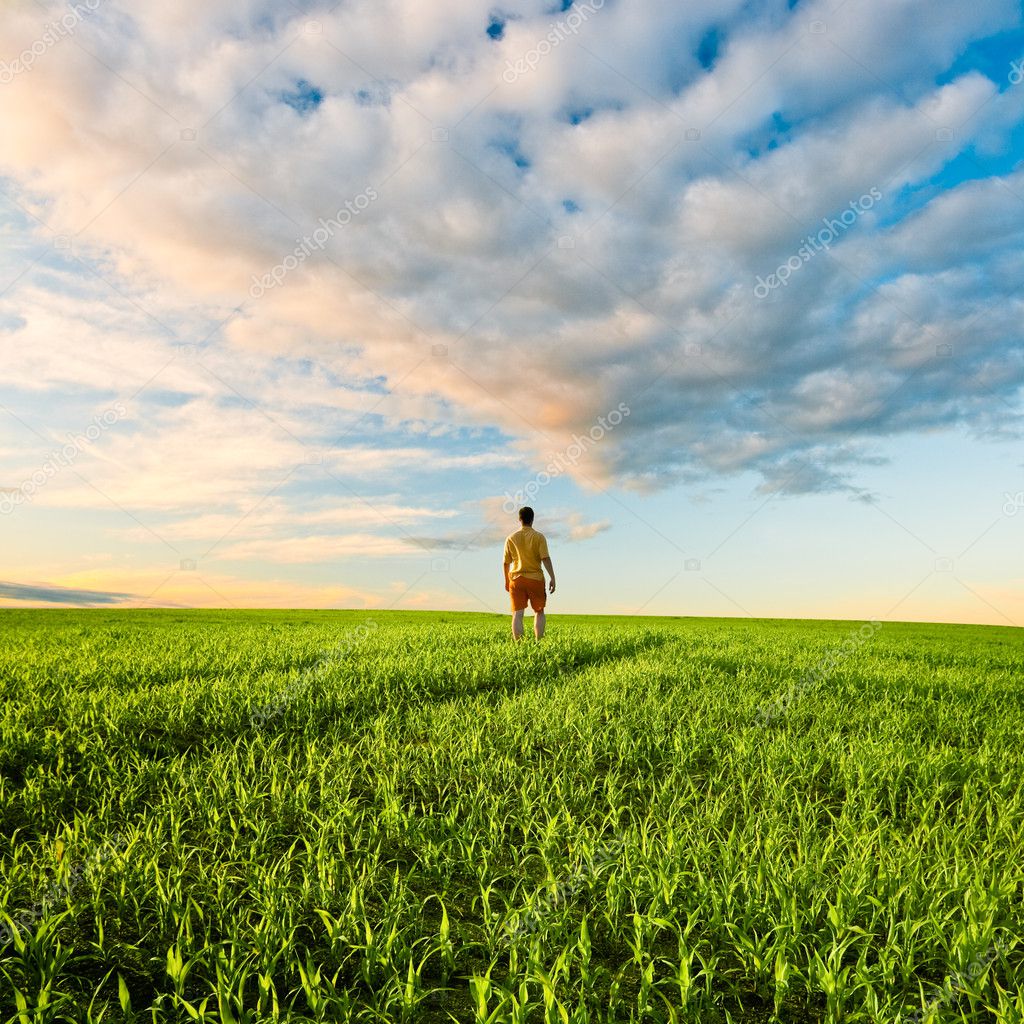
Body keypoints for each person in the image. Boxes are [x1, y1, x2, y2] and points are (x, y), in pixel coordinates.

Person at [503, 506, 556, 640]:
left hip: (516, 579)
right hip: (535, 579)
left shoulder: (511, 538)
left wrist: (507, 581)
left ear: (519, 519)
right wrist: (552, 577)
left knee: (517, 614)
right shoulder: (539, 537)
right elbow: (545, 558)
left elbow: (506, 563)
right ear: (532, 519)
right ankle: (539, 642)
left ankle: (519, 646)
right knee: (539, 611)